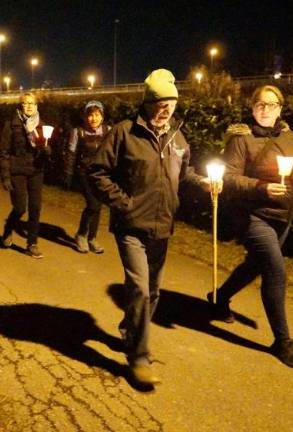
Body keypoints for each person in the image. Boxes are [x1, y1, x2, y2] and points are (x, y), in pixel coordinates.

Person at [88, 69, 214, 386]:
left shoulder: (177, 137)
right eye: (159, 102)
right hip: (131, 225)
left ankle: (130, 331)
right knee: (140, 289)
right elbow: (97, 173)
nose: (166, 109)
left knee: (153, 292)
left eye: (170, 102)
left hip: (163, 226)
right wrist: (124, 203)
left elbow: (185, 175)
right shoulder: (123, 133)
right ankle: (139, 358)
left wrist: (205, 182)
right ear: (146, 102)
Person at [212, 85, 293, 370]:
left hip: (284, 217)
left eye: (271, 105)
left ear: (280, 109)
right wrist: (261, 187)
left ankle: (220, 296)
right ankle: (282, 341)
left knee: (255, 265)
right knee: (275, 270)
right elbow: (230, 178)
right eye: (260, 104)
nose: (265, 109)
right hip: (253, 216)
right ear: (252, 107)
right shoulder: (241, 138)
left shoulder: (289, 136)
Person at [0, 92, 52, 259]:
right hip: (17, 170)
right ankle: (9, 227)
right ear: (21, 106)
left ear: (36, 106)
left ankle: (32, 244)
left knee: (35, 207)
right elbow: (4, 152)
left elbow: (48, 154)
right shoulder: (12, 124)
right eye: (26, 103)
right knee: (20, 207)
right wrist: (5, 176)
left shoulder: (42, 126)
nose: (29, 106)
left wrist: (46, 150)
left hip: (36, 170)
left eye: (32, 103)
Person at [64, 100, 110, 254]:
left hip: (102, 174)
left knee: (98, 206)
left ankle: (92, 238)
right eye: (90, 115)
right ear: (85, 117)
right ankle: (81, 235)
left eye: (97, 115)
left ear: (102, 117)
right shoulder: (78, 132)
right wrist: (68, 173)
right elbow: (71, 153)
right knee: (93, 204)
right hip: (84, 173)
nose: (94, 119)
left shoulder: (108, 131)